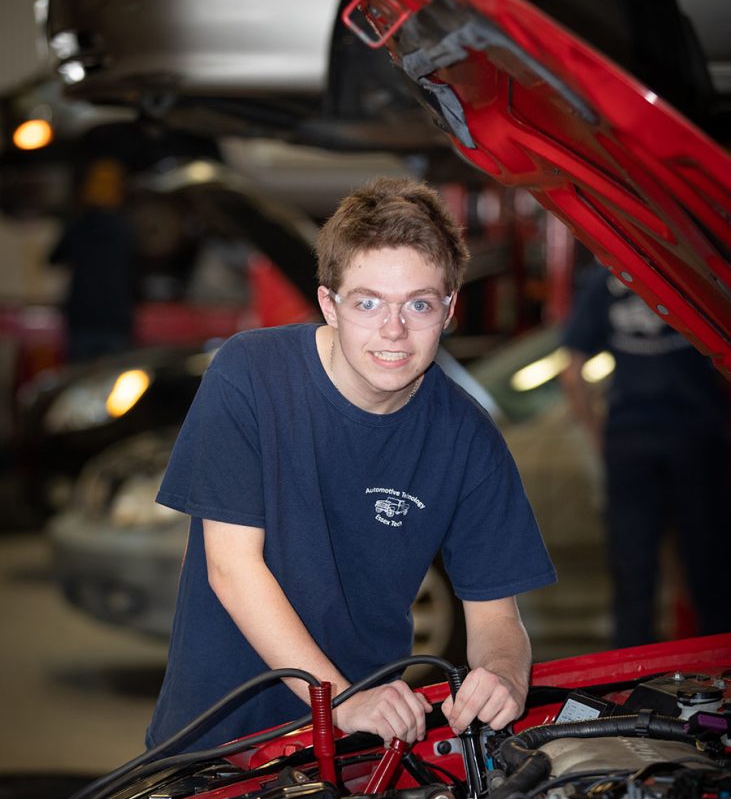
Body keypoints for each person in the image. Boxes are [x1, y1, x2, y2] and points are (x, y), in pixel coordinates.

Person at [146, 178, 556, 753]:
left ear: (449, 308)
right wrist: (338, 698)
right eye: (368, 302)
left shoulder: (468, 437)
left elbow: (495, 617)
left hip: (362, 744)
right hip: (218, 735)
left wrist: (504, 674)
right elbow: (232, 568)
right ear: (329, 305)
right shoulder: (251, 375)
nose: (394, 330)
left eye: (418, 303)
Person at [561, 260, 731, 648]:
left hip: (630, 441)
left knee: (634, 576)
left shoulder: (607, 276)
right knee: (711, 574)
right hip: (696, 437)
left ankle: (632, 687)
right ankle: (718, 685)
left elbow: (571, 371)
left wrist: (599, 437)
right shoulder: (700, 269)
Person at [49, 158, 136, 363]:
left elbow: (53, 259)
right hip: (113, 318)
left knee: (78, 382)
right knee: (112, 384)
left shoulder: (78, 226)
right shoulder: (125, 229)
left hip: (85, 317)